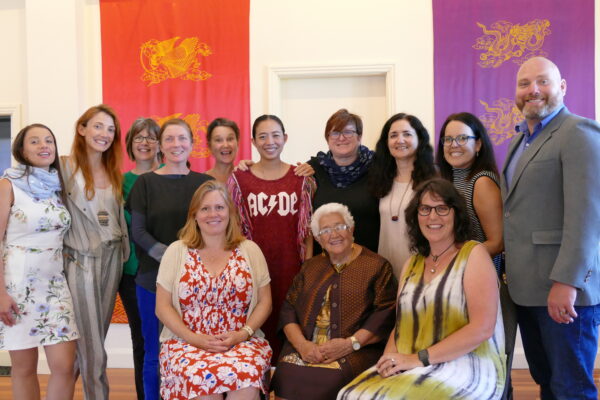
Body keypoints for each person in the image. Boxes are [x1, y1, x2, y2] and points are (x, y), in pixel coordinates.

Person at [338, 178, 506, 399]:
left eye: (442, 208)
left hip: (466, 364)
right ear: (415, 216)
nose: (432, 217)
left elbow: (482, 329)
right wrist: (389, 360)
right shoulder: (412, 263)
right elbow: (401, 325)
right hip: (414, 361)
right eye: (425, 209)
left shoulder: (473, 255)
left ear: (456, 214)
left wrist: (418, 359)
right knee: (350, 394)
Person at [502, 56, 600, 399]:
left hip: (563, 291)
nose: (533, 90)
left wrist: (567, 282)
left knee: (571, 388)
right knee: (547, 381)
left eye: (542, 81)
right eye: (524, 84)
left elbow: (587, 218)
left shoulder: (578, 133)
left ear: (562, 87)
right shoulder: (518, 142)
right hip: (528, 290)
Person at [156, 181, 272, 399]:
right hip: (186, 342)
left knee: (247, 380)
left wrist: (242, 334)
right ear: (194, 215)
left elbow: (265, 302)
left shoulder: (250, 250)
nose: (213, 214)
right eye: (205, 208)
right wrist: (193, 338)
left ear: (230, 212)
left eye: (219, 207)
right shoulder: (176, 251)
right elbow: (162, 307)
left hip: (242, 341)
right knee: (201, 382)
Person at [271, 202, 397, 400]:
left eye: (340, 227)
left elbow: (385, 314)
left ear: (351, 229)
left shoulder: (376, 266)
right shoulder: (310, 267)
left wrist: (350, 343)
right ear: (318, 239)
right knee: (286, 375)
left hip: (355, 350)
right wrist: (302, 345)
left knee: (330, 380)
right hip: (307, 348)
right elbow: (289, 310)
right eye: (326, 231)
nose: (334, 235)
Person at [127, 118, 213, 400]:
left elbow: (213, 229)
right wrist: (173, 259)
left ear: (192, 143)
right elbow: (138, 232)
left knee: (194, 351)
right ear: (160, 146)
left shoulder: (205, 183)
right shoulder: (145, 183)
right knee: (154, 353)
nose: (176, 144)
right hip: (152, 281)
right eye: (170, 139)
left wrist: (189, 265)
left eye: (182, 138)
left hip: (198, 283)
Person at [436, 112, 515, 399]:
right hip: (460, 284)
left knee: (492, 368)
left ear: (478, 144)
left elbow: (498, 241)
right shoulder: (448, 181)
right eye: (448, 139)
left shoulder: (481, 181)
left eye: (462, 138)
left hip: (486, 286)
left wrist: (458, 260)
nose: (454, 145)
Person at [0, 124, 79, 400]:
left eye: (49, 140)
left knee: (65, 366)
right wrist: (0, 294)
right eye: (34, 141)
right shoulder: (8, 184)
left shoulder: (59, 186)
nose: (44, 145)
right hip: (17, 286)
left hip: (55, 284)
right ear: (22, 150)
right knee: (24, 368)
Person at [227, 114, 314, 360]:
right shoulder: (240, 179)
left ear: (285, 138)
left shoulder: (301, 178)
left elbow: (307, 229)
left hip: (292, 269)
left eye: (275, 135)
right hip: (253, 271)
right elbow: (234, 227)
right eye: (262, 136)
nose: (270, 142)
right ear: (253, 142)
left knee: (292, 328)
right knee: (256, 329)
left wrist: (308, 268)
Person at [60, 104, 130, 400]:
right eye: (98, 126)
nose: (104, 134)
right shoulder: (63, 167)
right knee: (94, 349)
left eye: (111, 129)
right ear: (82, 129)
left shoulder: (114, 172)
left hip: (113, 260)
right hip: (80, 260)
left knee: (92, 342)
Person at [120, 117, 162, 400]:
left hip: (170, 272)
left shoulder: (172, 175)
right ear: (130, 144)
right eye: (138, 137)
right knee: (143, 341)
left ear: (160, 144)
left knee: (173, 340)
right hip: (133, 273)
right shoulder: (120, 182)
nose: (144, 143)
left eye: (150, 137)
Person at [369, 113, 436, 277]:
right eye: (393, 135)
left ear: (420, 139)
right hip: (386, 272)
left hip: (421, 270)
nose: (400, 140)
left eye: (407, 134)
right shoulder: (380, 179)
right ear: (386, 142)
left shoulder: (433, 180)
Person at [308, 109, 379, 253]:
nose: (341, 138)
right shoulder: (313, 170)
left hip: (370, 258)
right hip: (325, 260)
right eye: (335, 133)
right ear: (327, 138)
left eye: (348, 132)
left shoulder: (378, 167)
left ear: (359, 136)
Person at [205, 117, 239, 183]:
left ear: (237, 143)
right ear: (209, 146)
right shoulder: (200, 181)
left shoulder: (246, 178)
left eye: (230, 139)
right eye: (218, 140)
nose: (225, 145)